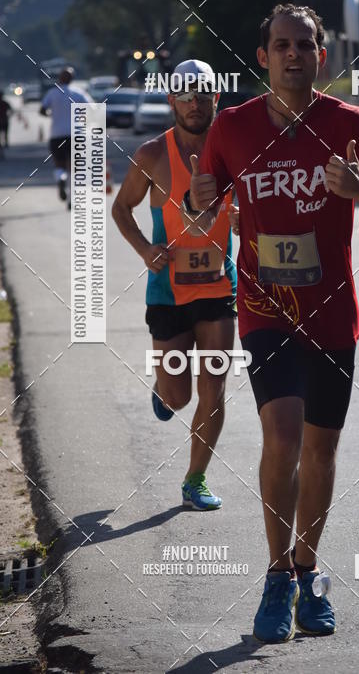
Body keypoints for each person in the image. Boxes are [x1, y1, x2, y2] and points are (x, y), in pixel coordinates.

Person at [182, 4, 359, 642]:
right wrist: (198, 201)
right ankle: (275, 575)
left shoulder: (349, 123)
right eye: (280, 44)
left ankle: (308, 570)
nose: (292, 54)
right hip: (263, 309)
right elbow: (202, 209)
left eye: (304, 45)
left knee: (320, 449)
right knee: (281, 436)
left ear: (322, 55)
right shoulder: (230, 127)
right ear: (263, 57)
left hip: (333, 315)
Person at [112, 60, 237, 511]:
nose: (194, 103)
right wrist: (147, 251)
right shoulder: (150, 155)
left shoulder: (233, 152)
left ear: (215, 98)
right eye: (184, 95)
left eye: (202, 94)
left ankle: (194, 479)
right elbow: (121, 209)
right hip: (167, 290)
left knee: (215, 387)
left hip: (219, 286)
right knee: (179, 396)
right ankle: (164, 387)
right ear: (171, 101)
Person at [40, 67, 90, 205]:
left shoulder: (52, 93)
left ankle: (60, 179)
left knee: (59, 165)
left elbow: (42, 110)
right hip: (76, 135)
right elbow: (90, 109)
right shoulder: (79, 93)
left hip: (57, 135)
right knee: (75, 169)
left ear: (59, 79)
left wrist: (53, 115)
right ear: (72, 79)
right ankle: (72, 199)